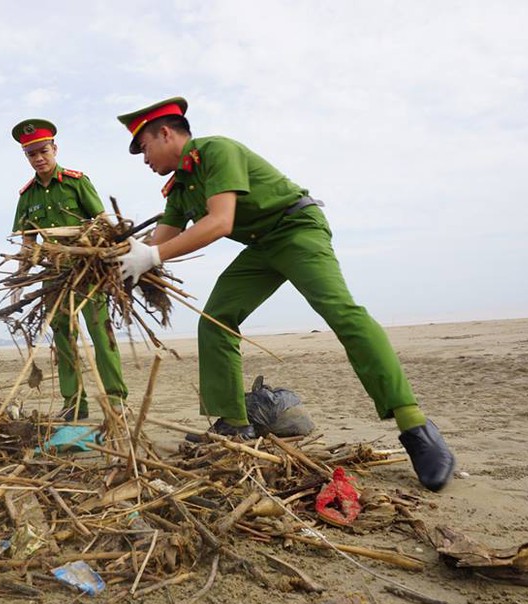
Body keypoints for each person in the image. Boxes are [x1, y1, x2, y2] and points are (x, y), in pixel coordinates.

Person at [115, 97, 455, 492]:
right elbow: (159, 242)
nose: (143, 159)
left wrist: (152, 255)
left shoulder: (215, 151)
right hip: (261, 246)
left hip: (297, 229)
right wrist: (123, 258)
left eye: (143, 148)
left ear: (166, 133)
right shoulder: (180, 187)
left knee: (342, 313)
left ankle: (415, 427)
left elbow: (220, 222)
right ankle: (235, 424)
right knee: (215, 319)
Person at [11, 119, 128, 420]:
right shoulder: (27, 197)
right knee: (63, 339)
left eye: (43, 151)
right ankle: (74, 404)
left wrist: (113, 251)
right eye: (31, 154)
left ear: (54, 148)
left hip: (87, 273)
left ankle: (116, 402)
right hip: (53, 277)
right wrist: (19, 280)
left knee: (102, 336)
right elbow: (27, 244)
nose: (38, 158)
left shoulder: (76, 182)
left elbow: (102, 220)